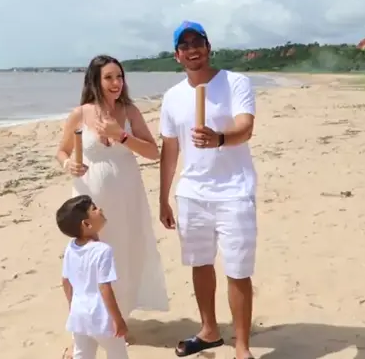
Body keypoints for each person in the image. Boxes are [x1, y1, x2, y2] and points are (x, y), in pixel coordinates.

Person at [159, 21, 258, 359]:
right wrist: (163, 198)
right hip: (192, 193)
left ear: (208, 46)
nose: (192, 49)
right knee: (200, 264)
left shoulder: (235, 82)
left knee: (238, 270)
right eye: (184, 45)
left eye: (197, 42)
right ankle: (209, 330)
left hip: (234, 191)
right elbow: (170, 149)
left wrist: (220, 139)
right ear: (177, 55)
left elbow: (246, 128)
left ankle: (242, 346)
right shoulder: (172, 97)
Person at [55, 54, 170, 331]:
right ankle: (87, 322)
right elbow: (62, 151)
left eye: (119, 76)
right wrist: (68, 164)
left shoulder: (130, 111)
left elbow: (153, 152)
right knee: (90, 257)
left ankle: (119, 318)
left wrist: (122, 136)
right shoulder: (80, 114)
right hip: (91, 199)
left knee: (124, 252)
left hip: (127, 196)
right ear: (95, 80)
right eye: (109, 77)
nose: (116, 82)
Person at [57, 194, 129, 359]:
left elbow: (66, 281)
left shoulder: (70, 248)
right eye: (94, 209)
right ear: (87, 224)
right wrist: (118, 319)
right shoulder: (103, 250)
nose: (100, 209)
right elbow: (104, 288)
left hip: (79, 314)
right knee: (117, 354)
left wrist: (73, 308)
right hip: (100, 316)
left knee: (82, 354)